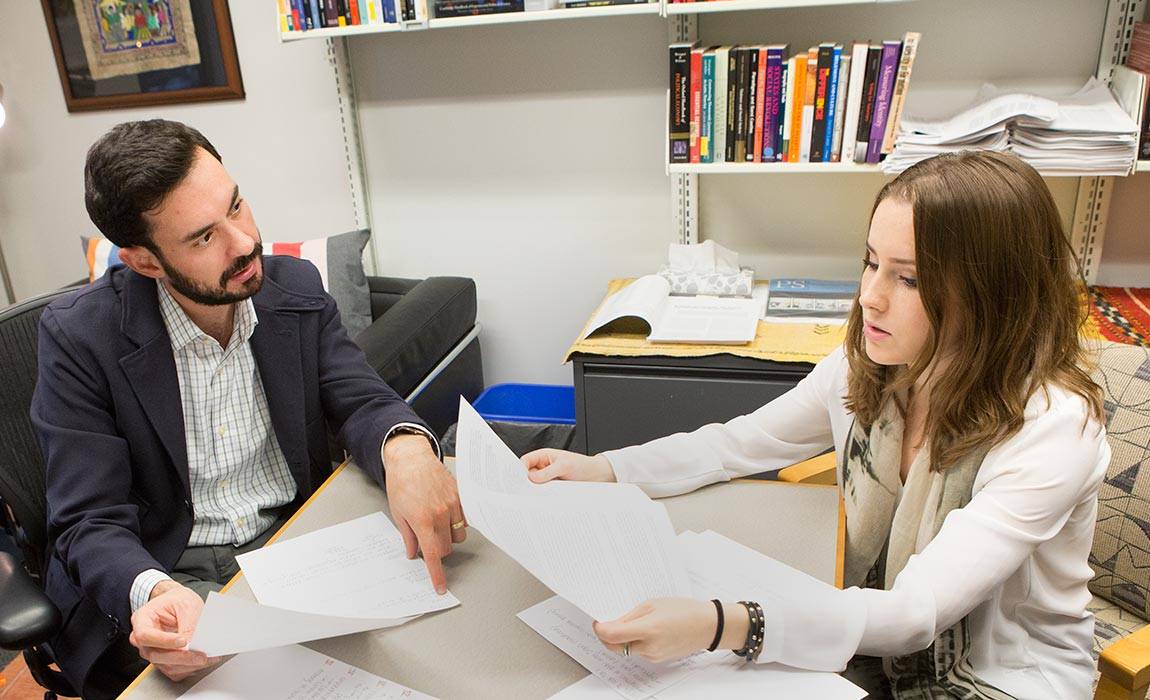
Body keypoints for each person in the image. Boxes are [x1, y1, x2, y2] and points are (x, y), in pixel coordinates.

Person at [524, 150, 1109, 699]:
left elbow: (917, 612)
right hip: (871, 646)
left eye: (909, 279)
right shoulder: (875, 365)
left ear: (992, 296)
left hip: (1003, 676)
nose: (870, 297)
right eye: (871, 263)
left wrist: (722, 624)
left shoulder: (1052, 427)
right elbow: (741, 442)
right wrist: (607, 468)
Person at [32, 120, 466, 699]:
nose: (242, 242)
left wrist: (407, 449)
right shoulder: (80, 338)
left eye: (236, 205)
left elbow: (361, 399)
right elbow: (88, 521)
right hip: (166, 567)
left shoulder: (295, 288)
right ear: (146, 263)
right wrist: (154, 592)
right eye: (203, 238)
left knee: (432, 652)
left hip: (289, 548)